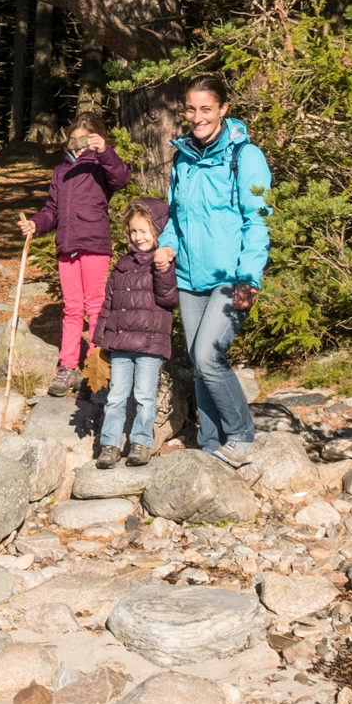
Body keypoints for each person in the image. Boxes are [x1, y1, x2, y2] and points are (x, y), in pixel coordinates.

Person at [155, 76, 272, 467]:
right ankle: (210, 441)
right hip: (189, 277)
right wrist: (168, 243)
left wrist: (249, 278)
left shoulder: (246, 156)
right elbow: (175, 216)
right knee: (198, 360)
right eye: (190, 109)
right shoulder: (182, 156)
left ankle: (240, 435)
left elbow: (257, 222)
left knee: (208, 356)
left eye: (206, 109)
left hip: (229, 276)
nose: (196, 117)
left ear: (223, 109)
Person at [18, 116, 130, 395]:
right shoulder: (60, 171)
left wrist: (104, 151)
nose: (79, 148)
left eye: (85, 142)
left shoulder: (101, 166)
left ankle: (95, 366)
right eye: (75, 142)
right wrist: (35, 223)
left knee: (95, 307)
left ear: (96, 140)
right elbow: (51, 210)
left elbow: (122, 178)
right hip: (67, 247)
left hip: (94, 245)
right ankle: (66, 365)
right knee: (71, 309)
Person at [92, 199, 176, 468]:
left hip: (150, 344)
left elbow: (169, 299)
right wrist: (100, 337)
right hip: (120, 344)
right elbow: (109, 302)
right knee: (116, 396)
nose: (138, 237)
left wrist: (163, 270)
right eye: (133, 231)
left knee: (144, 395)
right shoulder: (122, 265)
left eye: (144, 230)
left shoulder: (163, 262)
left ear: (158, 229)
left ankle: (140, 441)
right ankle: (110, 444)